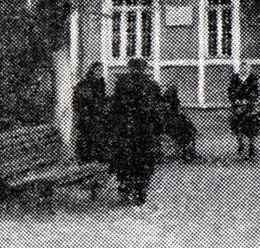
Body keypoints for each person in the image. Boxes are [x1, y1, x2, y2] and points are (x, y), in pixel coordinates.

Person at [107, 58, 163, 204]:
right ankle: (138, 191)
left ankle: (128, 187)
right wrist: (157, 129)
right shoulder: (150, 86)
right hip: (140, 130)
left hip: (129, 130)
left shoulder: (123, 84)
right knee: (141, 161)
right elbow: (157, 109)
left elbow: (115, 107)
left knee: (128, 160)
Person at [72, 62, 107, 164]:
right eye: (97, 70)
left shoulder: (101, 84)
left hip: (98, 115)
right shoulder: (84, 84)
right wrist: (84, 112)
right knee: (86, 136)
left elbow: (102, 99)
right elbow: (78, 102)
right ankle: (84, 158)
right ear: (93, 71)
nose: (100, 73)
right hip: (87, 115)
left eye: (101, 70)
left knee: (98, 135)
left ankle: (97, 157)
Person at [228, 64, 260, 160]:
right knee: (237, 124)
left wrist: (248, 100)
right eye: (242, 68)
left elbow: (255, 92)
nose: (244, 70)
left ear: (248, 69)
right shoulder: (235, 78)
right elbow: (230, 91)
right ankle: (240, 144)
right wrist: (235, 100)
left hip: (249, 106)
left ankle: (251, 146)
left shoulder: (252, 78)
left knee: (251, 126)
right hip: (237, 106)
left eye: (246, 68)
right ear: (240, 69)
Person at [163, 84, 198, 162]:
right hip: (174, 127)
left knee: (189, 134)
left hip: (179, 126)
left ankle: (188, 153)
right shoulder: (166, 110)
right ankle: (186, 153)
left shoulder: (176, 112)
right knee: (185, 135)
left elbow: (183, 118)